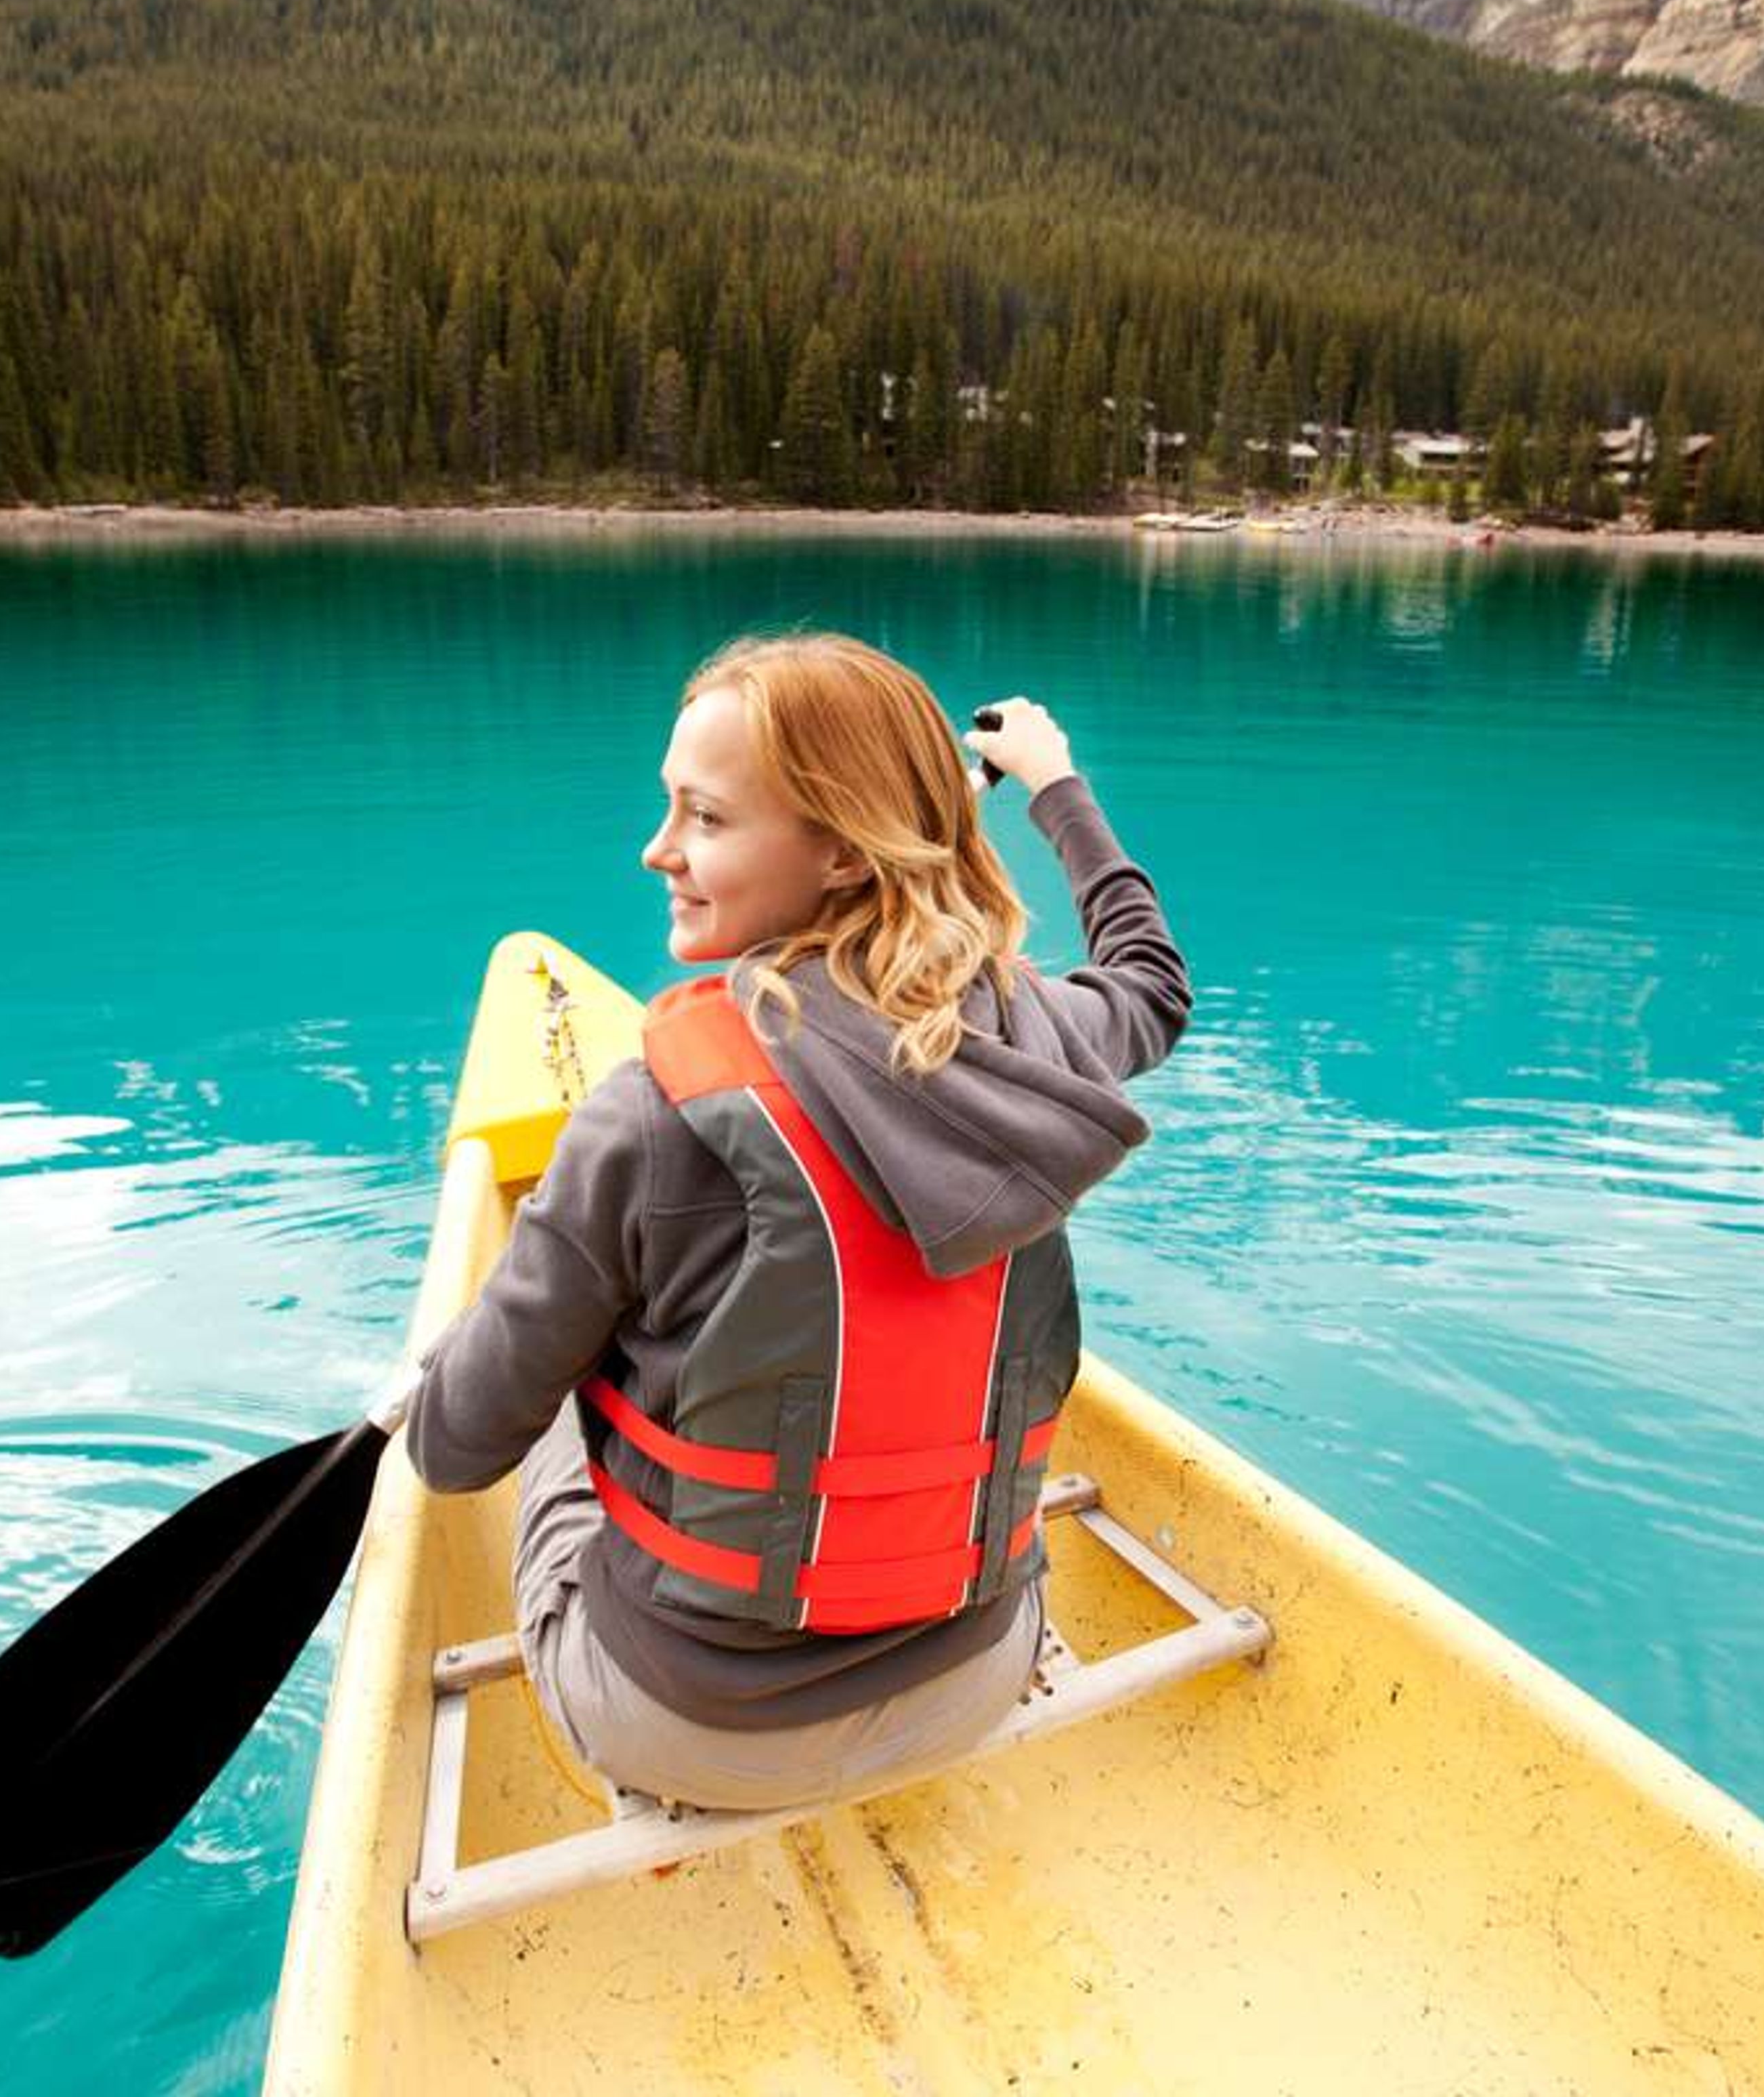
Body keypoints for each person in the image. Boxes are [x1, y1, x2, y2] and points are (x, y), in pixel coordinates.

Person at [406, 631, 1190, 1811]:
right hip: (976, 1676)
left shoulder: (648, 1113)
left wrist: (508, 1323)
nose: (656, 848)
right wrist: (1055, 782)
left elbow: (453, 1446)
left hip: (684, 1730)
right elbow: (1151, 978)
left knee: (556, 1376)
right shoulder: (1046, 1043)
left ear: (839, 852)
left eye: (705, 819)